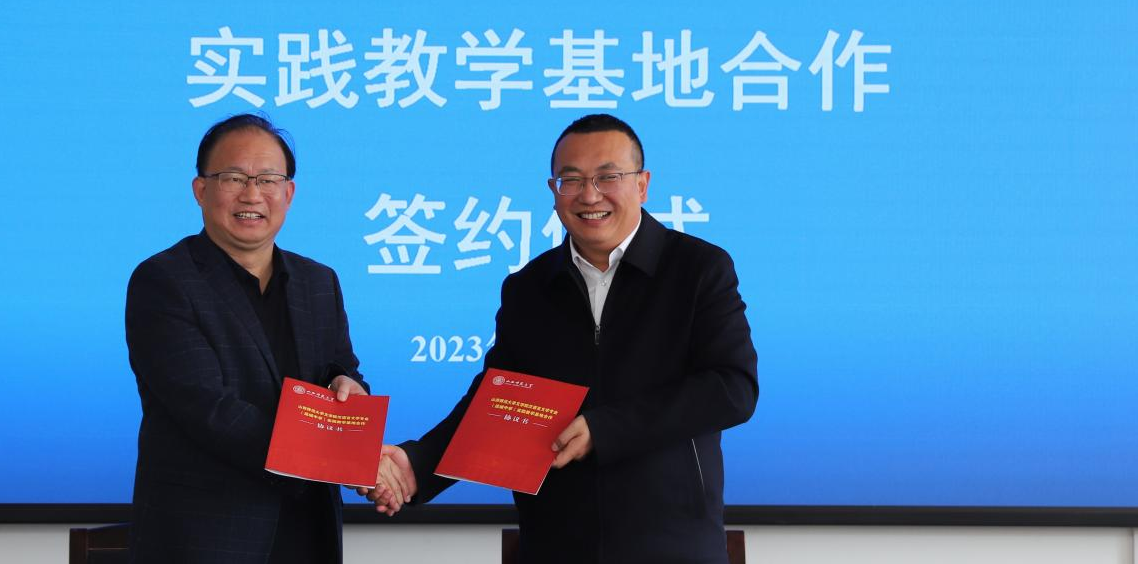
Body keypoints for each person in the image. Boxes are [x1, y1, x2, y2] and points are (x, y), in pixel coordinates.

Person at [368, 114, 758, 564]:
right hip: (555, 540)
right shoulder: (529, 288)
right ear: (553, 191)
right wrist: (417, 466)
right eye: (570, 180)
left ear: (642, 184)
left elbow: (732, 389)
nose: (589, 195)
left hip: (671, 540)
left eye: (608, 177)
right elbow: (495, 404)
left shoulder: (697, 269)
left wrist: (604, 430)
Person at [125, 113, 367, 563]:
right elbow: (208, 409)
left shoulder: (319, 282)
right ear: (201, 190)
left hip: (309, 534)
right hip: (205, 541)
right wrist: (337, 456)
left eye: (268, 180)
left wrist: (348, 387)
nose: (252, 194)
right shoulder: (164, 281)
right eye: (234, 178)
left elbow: (342, 368)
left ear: (288, 193)